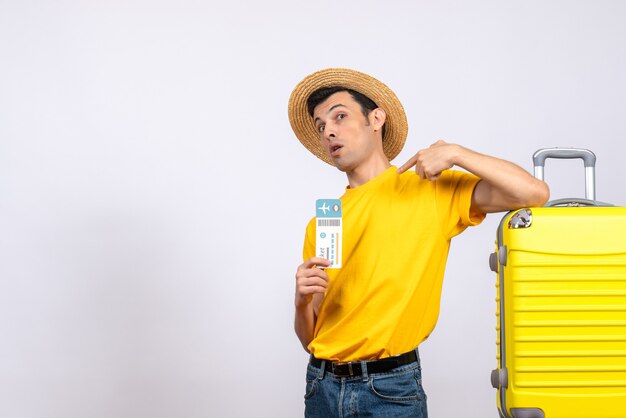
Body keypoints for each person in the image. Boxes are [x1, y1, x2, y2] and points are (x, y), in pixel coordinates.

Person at [287, 68, 549, 417]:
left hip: (389, 390)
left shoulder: (430, 190)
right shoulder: (324, 222)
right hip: (321, 386)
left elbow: (534, 193)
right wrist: (302, 302)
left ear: (376, 118)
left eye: (340, 116)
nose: (329, 130)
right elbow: (311, 339)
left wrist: (457, 153)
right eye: (321, 126)